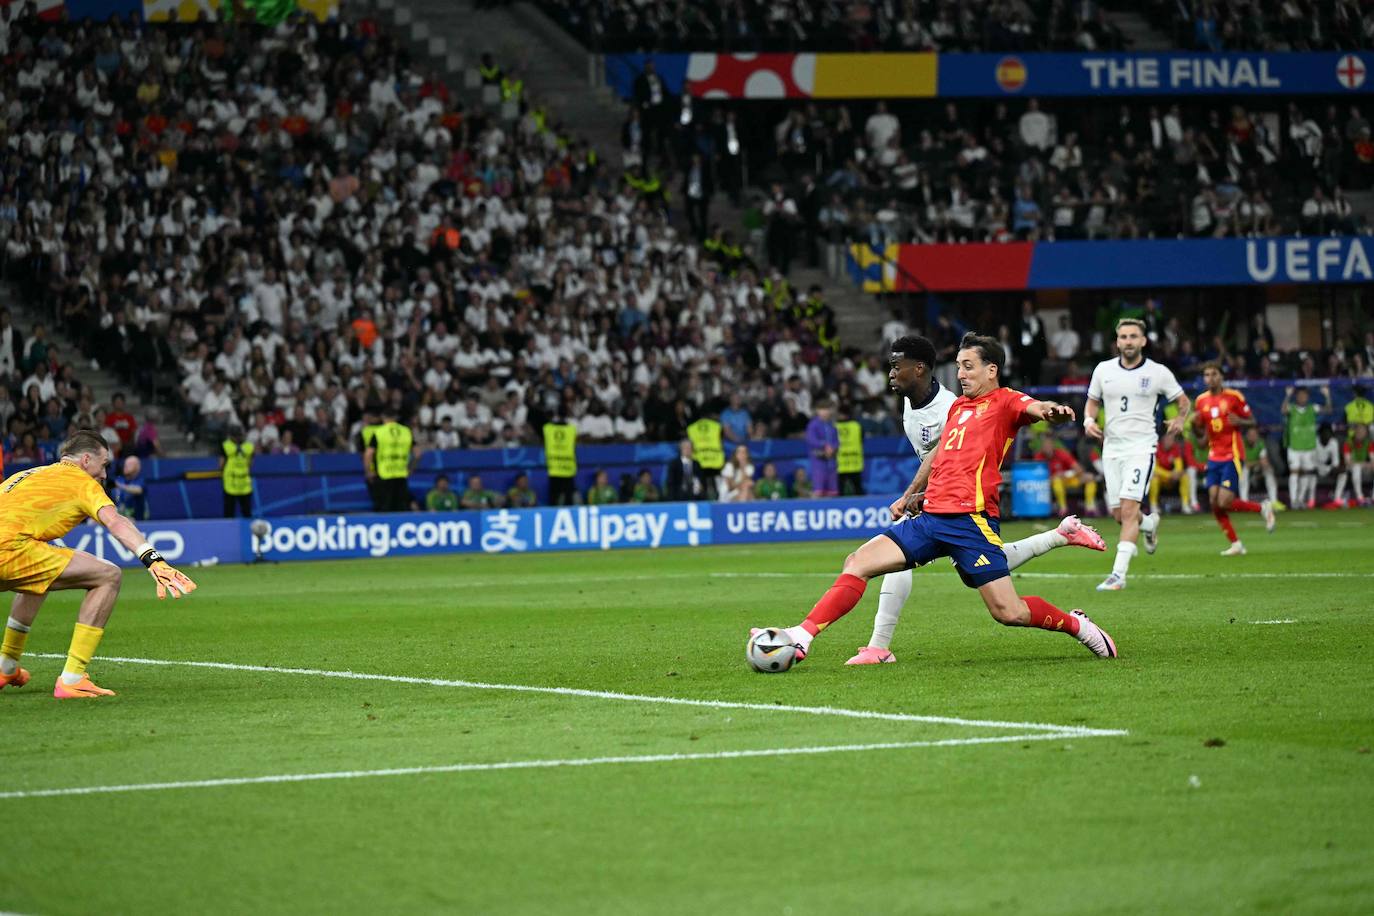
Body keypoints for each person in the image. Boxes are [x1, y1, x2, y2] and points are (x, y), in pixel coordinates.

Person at [754, 332, 1117, 667]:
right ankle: (802, 636)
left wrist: (1052, 412)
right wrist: (911, 495)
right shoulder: (958, 408)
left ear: (992, 370)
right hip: (931, 518)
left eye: (968, 365)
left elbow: (1036, 408)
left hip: (970, 521)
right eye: (958, 365)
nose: (960, 372)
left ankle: (1077, 625)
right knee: (858, 561)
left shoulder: (1005, 401)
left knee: (1009, 613)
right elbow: (940, 453)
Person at [847, 335, 1105, 666]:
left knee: (1000, 601)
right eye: (958, 367)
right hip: (942, 501)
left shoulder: (958, 405)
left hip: (967, 505)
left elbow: (1015, 416)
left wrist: (1048, 411)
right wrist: (918, 494)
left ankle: (878, 645)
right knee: (975, 569)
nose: (892, 373)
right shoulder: (928, 404)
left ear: (920, 369)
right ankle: (1059, 536)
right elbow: (944, 459)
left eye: (898, 366)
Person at [0, 430, 196, 698]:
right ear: (86, 460)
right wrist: (153, 559)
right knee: (109, 575)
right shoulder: (81, 481)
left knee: (40, 575)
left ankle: (6, 665)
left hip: (14, 548)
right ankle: (72, 678)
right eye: (104, 465)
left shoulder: (27, 474)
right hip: (10, 550)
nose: (105, 474)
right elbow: (116, 521)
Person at [1083, 318, 1191, 591]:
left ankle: (1118, 575)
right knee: (1121, 515)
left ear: (1143, 341)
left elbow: (1183, 401)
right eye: (1123, 337)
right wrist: (1088, 421)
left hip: (1142, 449)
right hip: (1112, 449)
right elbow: (1092, 402)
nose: (1128, 341)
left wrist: (1179, 420)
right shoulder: (1103, 369)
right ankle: (1151, 523)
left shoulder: (1158, 372)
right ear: (1117, 341)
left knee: (1129, 511)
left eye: (1133, 336)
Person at [1194, 362, 1276, 555]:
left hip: (1232, 454)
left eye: (1214, 374)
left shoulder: (1234, 397)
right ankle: (1236, 544)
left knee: (1223, 501)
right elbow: (1204, 434)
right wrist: (1196, 431)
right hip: (1213, 456)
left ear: (1221, 377)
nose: (1210, 378)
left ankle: (1262, 508)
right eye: (1206, 375)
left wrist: (1241, 421)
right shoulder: (1200, 401)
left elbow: (1253, 421)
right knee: (1214, 502)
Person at [1282, 385, 1330, 509]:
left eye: (1305, 395)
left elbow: (1328, 410)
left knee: (1306, 474)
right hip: (1294, 447)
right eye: (1300, 395)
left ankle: (1301, 500)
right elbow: (1283, 410)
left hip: (1309, 447)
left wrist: (1327, 395)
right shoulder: (1292, 408)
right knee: (1294, 472)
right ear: (1296, 397)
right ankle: (1293, 501)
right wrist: (1287, 395)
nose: (1302, 397)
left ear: (1308, 397)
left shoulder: (1312, 408)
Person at [364, 407, 415, 512]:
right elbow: (418, 453)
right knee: (401, 508)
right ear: (396, 418)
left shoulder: (379, 432)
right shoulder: (406, 431)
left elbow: (368, 454)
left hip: (384, 475)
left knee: (384, 508)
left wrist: (368, 471)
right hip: (401, 474)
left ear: (383, 417)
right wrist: (411, 468)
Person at [1035, 435, 1100, 517]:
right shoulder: (1039, 457)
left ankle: (1090, 508)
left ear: (1053, 446)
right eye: (1045, 446)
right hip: (1048, 483)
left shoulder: (1061, 453)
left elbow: (1078, 469)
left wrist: (1066, 474)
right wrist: (1055, 476)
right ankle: (1063, 509)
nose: (1048, 448)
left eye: (1049, 445)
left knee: (1089, 478)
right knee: (1057, 480)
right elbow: (1037, 477)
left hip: (1067, 480)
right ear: (1042, 447)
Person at [804, 401, 839, 497]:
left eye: (827, 409)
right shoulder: (813, 425)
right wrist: (824, 445)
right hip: (818, 461)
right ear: (817, 411)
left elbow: (836, 441)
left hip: (831, 462)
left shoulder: (832, 425)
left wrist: (833, 448)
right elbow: (811, 439)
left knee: (833, 491)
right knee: (819, 490)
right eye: (822, 410)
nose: (825, 412)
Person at [220, 424, 254, 518]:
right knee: (247, 512)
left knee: (229, 513)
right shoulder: (249, 447)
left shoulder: (226, 446)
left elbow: (221, 464)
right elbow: (251, 464)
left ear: (230, 435)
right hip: (244, 484)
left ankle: (227, 531)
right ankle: (248, 531)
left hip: (231, 484)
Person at [1148, 437, 1189, 515]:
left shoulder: (1175, 448)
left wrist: (1176, 473)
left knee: (1185, 476)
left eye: (1171, 440)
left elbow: (1179, 465)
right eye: (1168, 440)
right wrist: (1169, 475)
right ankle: (1153, 505)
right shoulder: (1156, 449)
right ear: (1163, 440)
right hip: (1162, 477)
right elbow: (1155, 468)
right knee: (1154, 478)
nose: (1170, 442)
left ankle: (1185, 505)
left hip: (1173, 478)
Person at [1239, 427, 1278, 506]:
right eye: (1250, 435)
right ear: (1246, 436)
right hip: (1242, 467)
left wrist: (1263, 464)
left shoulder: (1261, 443)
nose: (1252, 437)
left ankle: (1274, 502)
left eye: (1254, 435)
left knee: (1269, 471)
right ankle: (1244, 502)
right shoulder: (1242, 444)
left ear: (1257, 436)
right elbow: (1247, 464)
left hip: (1257, 466)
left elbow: (1264, 461)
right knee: (1244, 473)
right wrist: (1259, 462)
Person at [543, 418, 578, 506]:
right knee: (566, 499)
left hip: (555, 470)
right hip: (567, 470)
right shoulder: (571, 430)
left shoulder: (549, 429)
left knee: (556, 500)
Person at [1336, 422, 1372, 505]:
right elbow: (1348, 462)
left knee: (1359, 467)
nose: (1360, 432)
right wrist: (1363, 464)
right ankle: (1360, 497)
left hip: (1365, 467)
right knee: (1356, 468)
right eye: (1358, 430)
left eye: (1363, 430)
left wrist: (1367, 464)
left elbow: (1372, 460)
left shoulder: (1369, 442)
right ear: (1355, 431)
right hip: (1351, 468)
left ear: (1366, 433)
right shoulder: (1348, 442)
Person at [112, 455, 147, 521]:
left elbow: (138, 490)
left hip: (138, 521)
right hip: (118, 519)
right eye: (125, 463)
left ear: (138, 467)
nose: (126, 466)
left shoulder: (140, 480)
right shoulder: (120, 479)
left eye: (130, 464)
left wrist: (120, 486)